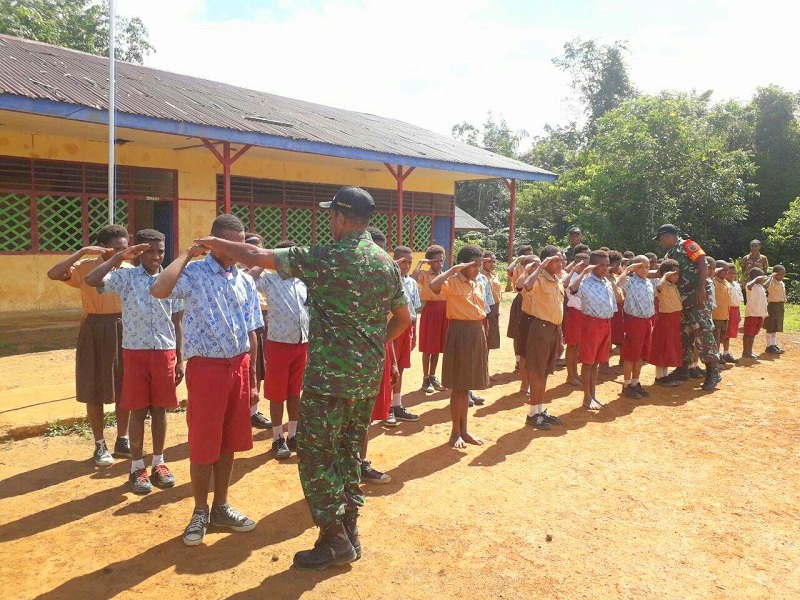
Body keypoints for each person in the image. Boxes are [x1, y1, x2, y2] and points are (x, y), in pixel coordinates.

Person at [193, 187, 411, 570]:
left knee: (314, 456)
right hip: (365, 379)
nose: (330, 221)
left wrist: (213, 242)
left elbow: (257, 256)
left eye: (331, 215)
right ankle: (350, 531)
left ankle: (335, 539)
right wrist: (371, 345)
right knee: (349, 454)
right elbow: (404, 319)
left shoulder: (324, 257)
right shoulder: (386, 263)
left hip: (328, 382)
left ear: (340, 217)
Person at [151, 214, 263, 547]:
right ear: (213, 243)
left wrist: (253, 379)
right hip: (207, 370)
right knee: (204, 443)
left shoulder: (244, 280)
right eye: (228, 243)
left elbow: (252, 331)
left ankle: (221, 506)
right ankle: (200, 510)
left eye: (239, 243)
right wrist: (188, 253)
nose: (236, 249)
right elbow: (159, 289)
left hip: (239, 366)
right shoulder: (194, 274)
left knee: (229, 442)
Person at [84, 229, 183, 494]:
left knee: (160, 410)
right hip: (135, 353)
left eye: (160, 251)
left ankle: (159, 463)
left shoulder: (171, 280)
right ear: (138, 252)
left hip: (165, 352)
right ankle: (137, 467)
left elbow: (177, 322)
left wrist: (180, 360)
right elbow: (92, 280)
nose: (156, 256)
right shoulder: (126, 277)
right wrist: (120, 257)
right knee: (138, 411)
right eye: (149, 251)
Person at [46, 224, 132, 467]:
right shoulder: (85, 267)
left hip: (125, 328)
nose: (122, 253)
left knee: (124, 386)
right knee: (94, 386)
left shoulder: (129, 269)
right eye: (117, 249)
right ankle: (99, 443)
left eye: (125, 248)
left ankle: (123, 439)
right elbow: (54, 274)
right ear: (102, 247)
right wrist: (82, 251)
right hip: (94, 328)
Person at [249, 240, 310, 459]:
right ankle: (277, 437)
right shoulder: (269, 280)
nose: (290, 263)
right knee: (277, 394)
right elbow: (248, 280)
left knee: (295, 392)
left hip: (302, 344)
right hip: (278, 344)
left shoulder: (303, 282)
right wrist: (266, 260)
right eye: (285, 258)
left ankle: (293, 434)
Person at [429, 244, 488, 449]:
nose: (478, 269)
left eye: (480, 265)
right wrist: (453, 270)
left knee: (467, 386)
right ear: (463, 265)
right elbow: (433, 286)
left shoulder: (478, 283)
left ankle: (465, 430)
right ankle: (455, 431)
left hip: (476, 332)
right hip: (460, 333)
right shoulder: (452, 282)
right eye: (475, 265)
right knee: (459, 386)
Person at [654, 224, 721, 391]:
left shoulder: (688, 246)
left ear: (667, 236)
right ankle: (683, 369)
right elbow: (661, 274)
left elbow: (702, 263)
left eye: (661, 240)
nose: (661, 243)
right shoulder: (669, 254)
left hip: (697, 297)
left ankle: (713, 371)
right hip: (681, 300)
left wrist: (701, 287)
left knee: (703, 331)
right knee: (684, 333)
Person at [521, 245, 565, 429]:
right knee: (538, 372)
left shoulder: (557, 280)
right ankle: (532, 413)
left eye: (561, 260)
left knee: (545, 371)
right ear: (546, 262)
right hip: (541, 328)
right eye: (556, 260)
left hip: (554, 329)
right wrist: (540, 267)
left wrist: (560, 337)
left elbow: (558, 309)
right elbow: (526, 286)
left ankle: (539, 410)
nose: (560, 263)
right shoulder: (538, 278)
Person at [570, 250, 616, 410]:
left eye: (607, 265)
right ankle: (587, 397)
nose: (605, 268)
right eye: (601, 265)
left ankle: (593, 395)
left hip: (605, 324)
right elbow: (572, 289)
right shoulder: (585, 282)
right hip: (591, 324)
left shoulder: (607, 282)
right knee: (588, 362)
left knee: (596, 362)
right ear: (593, 265)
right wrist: (584, 272)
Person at [388, 246, 422, 424]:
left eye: (409, 262)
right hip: (392, 328)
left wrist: (414, 334)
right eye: (403, 262)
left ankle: (396, 404)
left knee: (400, 367)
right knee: (389, 368)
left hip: (406, 329)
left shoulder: (412, 283)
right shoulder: (388, 280)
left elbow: (414, 311)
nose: (407, 266)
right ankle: (386, 408)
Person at [243, 233, 272, 430]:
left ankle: (253, 411)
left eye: (257, 251)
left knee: (259, 369)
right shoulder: (239, 274)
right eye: (249, 251)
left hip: (266, 323)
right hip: (247, 325)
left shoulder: (269, 275)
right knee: (247, 367)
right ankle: (243, 411)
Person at [616, 256, 655, 399]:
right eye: (641, 267)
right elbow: (618, 283)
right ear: (635, 268)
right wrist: (627, 270)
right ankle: (626, 385)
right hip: (634, 321)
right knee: (630, 355)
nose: (645, 270)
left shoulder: (648, 282)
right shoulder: (630, 281)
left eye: (647, 267)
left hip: (646, 321)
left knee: (641, 354)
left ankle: (635, 382)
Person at [414, 245, 448, 393]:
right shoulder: (424, 275)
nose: (439, 263)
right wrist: (420, 264)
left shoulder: (446, 275)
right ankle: (425, 378)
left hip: (444, 311)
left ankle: (433, 376)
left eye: (441, 260)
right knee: (428, 346)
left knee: (438, 347)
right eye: (435, 261)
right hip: (431, 310)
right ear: (429, 262)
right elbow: (413, 279)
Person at [650, 260, 683, 386]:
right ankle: (659, 376)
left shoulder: (673, 286)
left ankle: (665, 374)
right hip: (665, 320)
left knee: (669, 347)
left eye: (678, 274)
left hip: (674, 320)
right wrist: (664, 276)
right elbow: (658, 287)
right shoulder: (662, 284)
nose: (677, 276)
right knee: (662, 346)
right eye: (674, 274)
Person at [515, 255, 542, 395]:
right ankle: (525, 383)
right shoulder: (525, 279)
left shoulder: (543, 279)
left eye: (539, 264)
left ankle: (533, 382)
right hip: (528, 319)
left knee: (537, 354)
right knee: (525, 353)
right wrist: (525, 271)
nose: (538, 267)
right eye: (534, 265)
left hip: (542, 320)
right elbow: (519, 286)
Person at [506, 245, 534, 371]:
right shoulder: (518, 269)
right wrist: (517, 260)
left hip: (534, 300)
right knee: (517, 332)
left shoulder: (537, 269)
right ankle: (518, 360)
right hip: (520, 300)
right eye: (527, 255)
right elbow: (509, 270)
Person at [563, 252, 590, 387]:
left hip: (584, 313)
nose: (585, 267)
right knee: (572, 345)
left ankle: (575, 373)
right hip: (575, 313)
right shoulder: (572, 277)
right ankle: (570, 374)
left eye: (587, 265)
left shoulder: (586, 277)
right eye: (582, 265)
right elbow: (566, 285)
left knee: (577, 346)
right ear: (576, 264)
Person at [743, 268, 768, 358]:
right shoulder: (750, 286)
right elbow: (749, 285)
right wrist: (756, 279)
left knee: (753, 334)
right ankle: (745, 351)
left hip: (759, 314)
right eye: (762, 277)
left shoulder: (760, 287)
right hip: (752, 314)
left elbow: (767, 285)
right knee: (748, 334)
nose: (763, 279)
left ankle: (750, 351)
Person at [711, 260, 733, 364]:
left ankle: (718, 356)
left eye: (727, 270)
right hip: (715, 316)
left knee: (720, 339)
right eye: (723, 270)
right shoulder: (713, 282)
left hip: (725, 316)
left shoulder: (726, 283)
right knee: (715, 339)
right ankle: (714, 361)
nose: (726, 272)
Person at [481, 251, 502, 354]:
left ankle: (485, 360)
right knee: (482, 335)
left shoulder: (494, 275)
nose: (492, 264)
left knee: (490, 336)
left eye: (494, 262)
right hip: (483, 308)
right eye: (489, 261)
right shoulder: (479, 276)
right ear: (483, 261)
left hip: (494, 309)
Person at [722, 262, 743, 363]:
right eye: (730, 273)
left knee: (729, 332)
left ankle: (726, 353)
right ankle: (719, 354)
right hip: (726, 310)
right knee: (723, 332)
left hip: (734, 310)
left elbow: (738, 300)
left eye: (734, 273)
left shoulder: (737, 285)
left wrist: (738, 313)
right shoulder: (724, 284)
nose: (732, 275)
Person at [764, 265, 787, 354]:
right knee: (770, 325)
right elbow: (765, 285)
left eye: (783, 274)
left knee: (776, 326)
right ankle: (769, 345)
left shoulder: (781, 283)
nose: (782, 276)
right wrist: (771, 276)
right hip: (772, 305)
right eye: (779, 274)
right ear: (775, 274)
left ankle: (773, 344)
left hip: (780, 306)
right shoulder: (771, 283)